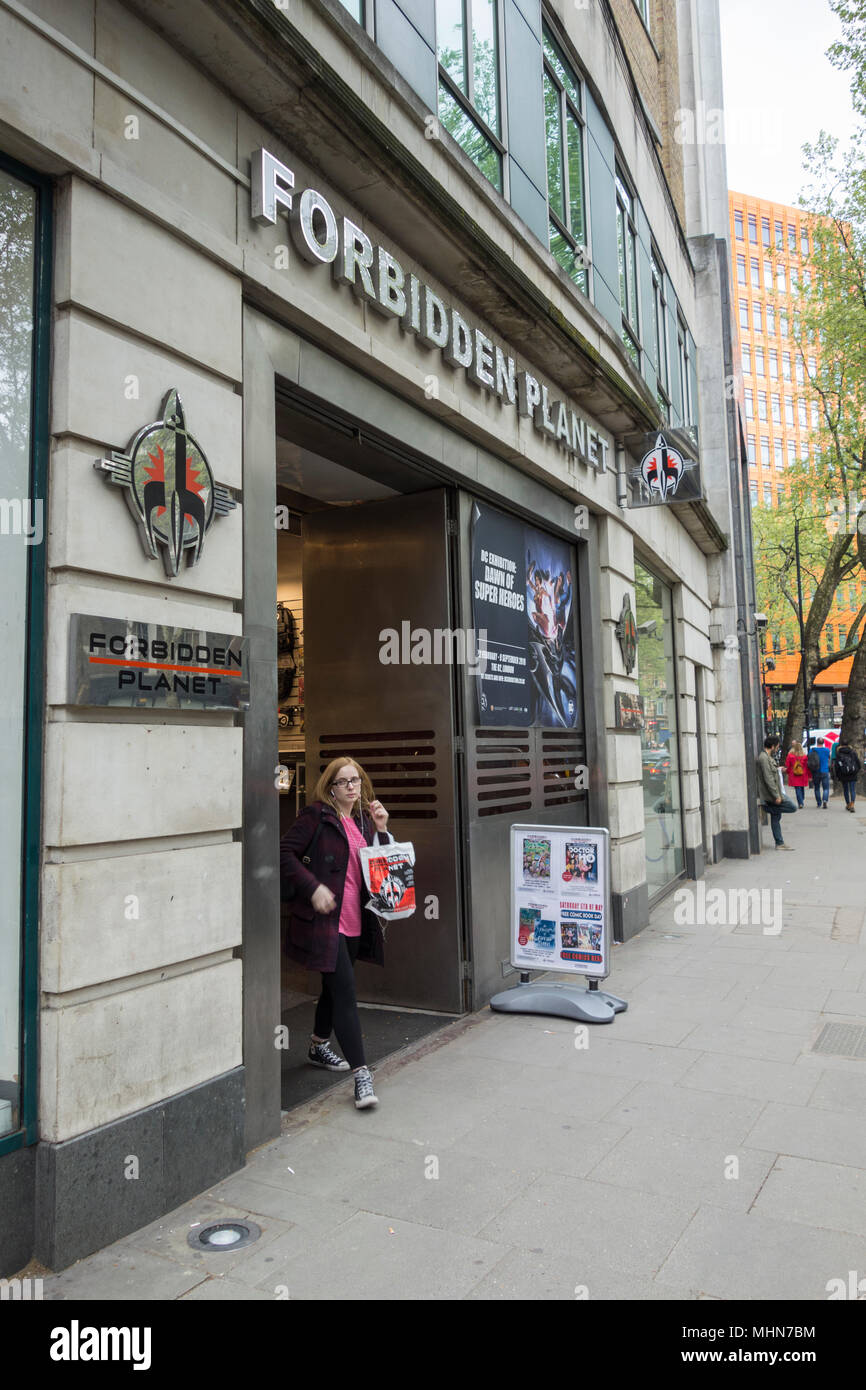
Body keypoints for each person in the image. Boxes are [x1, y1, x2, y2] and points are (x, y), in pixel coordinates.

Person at [280, 757, 391, 1109]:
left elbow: (383, 866)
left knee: (333, 986)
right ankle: (362, 1076)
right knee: (345, 992)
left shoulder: (362, 819)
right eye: (343, 782)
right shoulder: (316, 816)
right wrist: (312, 887)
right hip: (327, 922)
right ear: (330, 787)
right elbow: (284, 852)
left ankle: (316, 1045)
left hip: (356, 920)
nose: (352, 787)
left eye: (356, 780)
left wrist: (382, 828)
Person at [756, 734, 796, 849]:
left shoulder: (767, 757)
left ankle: (779, 843)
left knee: (775, 817)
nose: (778, 749)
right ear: (772, 746)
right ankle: (767, 808)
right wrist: (776, 795)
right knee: (792, 807)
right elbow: (768, 778)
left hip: (775, 792)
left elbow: (770, 773)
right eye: (777, 746)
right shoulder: (764, 758)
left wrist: (779, 769)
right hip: (773, 794)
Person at [831, 740, 862, 812]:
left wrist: (838, 775)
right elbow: (858, 763)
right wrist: (856, 771)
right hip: (852, 773)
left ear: (841, 745)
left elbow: (837, 766)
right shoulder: (853, 752)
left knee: (846, 789)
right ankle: (852, 804)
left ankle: (848, 804)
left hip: (843, 774)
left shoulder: (838, 753)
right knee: (852, 789)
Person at [784, 741, 810, 808]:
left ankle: (800, 802)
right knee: (801, 787)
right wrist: (809, 775)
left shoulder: (790, 756)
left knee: (797, 788)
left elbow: (787, 765)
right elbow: (807, 766)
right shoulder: (804, 756)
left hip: (794, 774)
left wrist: (787, 772)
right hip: (803, 774)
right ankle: (802, 799)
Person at [807, 737, 831, 808]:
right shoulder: (827, 750)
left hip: (815, 771)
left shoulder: (812, 750)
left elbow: (809, 759)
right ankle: (825, 800)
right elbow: (829, 758)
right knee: (826, 788)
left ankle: (819, 803)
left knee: (817, 788)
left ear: (817, 742)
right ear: (823, 743)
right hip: (825, 770)